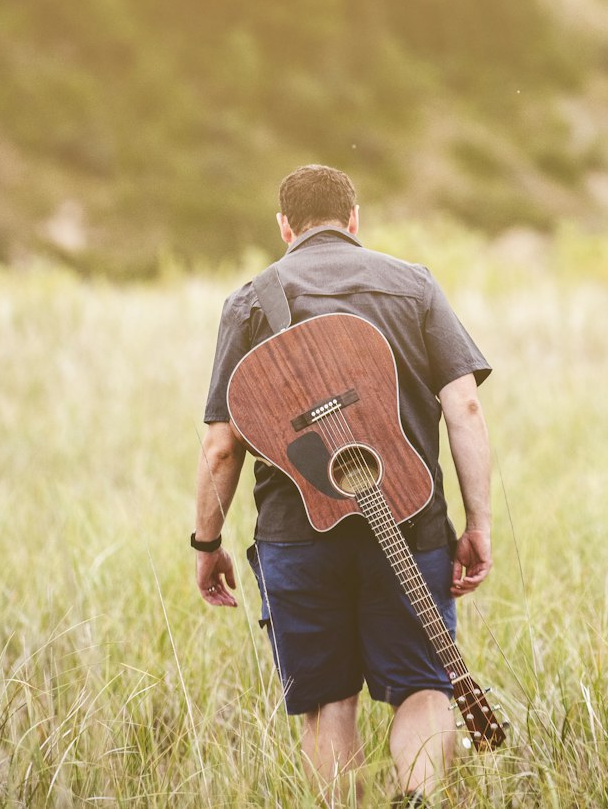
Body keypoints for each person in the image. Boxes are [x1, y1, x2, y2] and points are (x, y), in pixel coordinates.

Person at [194, 164, 493, 805]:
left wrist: (206, 544)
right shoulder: (413, 286)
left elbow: (221, 446)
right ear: (354, 221)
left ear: (284, 228)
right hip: (410, 520)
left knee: (330, 703)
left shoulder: (250, 302)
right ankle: (419, 798)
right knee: (423, 686)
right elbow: (465, 408)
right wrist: (478, 524)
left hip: (297, 536)